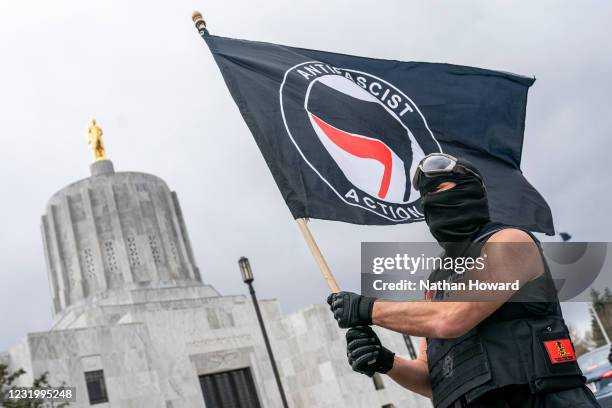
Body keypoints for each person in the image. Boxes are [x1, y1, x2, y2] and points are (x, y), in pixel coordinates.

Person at [327, 153, 599, 407]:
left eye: (439, 189)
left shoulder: (510, 242)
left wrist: (367, 309)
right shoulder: (435, 285)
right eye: (426, 196)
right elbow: (432, 378)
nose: (430, 201)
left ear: (471, 192)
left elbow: (452, 317)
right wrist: (385, 361)